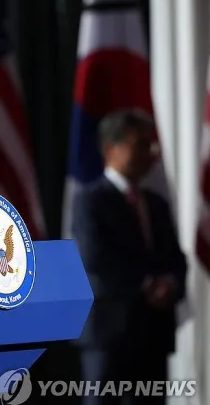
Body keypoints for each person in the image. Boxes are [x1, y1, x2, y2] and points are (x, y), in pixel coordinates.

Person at [72, 110, 187, 405]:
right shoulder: (90, 202)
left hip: (153, 335)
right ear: (112, 148)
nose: (150, 154)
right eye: (141, 145)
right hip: (109, 335)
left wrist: (171, 283)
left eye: (152, 145)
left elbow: (177, 258)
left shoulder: (157, 204)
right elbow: (95, 259)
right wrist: (146, 286)